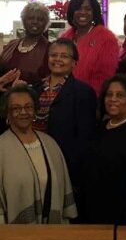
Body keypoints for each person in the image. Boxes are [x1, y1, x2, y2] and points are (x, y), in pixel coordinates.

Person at [32, 38, 97, 209]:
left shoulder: (83, 92)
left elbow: (85, 137)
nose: (58, 60)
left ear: (74, 62)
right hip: (34, 158)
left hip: (65, 163)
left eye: (64, 56)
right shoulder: (35, 89)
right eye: (53, 55)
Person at [0, 84, 77, 224]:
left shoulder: (50, 144)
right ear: (7, 113)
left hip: (53, 232)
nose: (23, 112)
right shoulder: (1, 147)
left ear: (35, 109)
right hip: (15, 237)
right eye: (16, 108)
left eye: (28, 107)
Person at [83, 75, 126, 225]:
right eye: (109, 94)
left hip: (121, 221)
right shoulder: (101, 127)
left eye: (120, 95)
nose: (113, 99)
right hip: (93, 214)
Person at [63, 0, 119, 96]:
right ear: (72, 12)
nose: (83, 12)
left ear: (94, 13)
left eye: (88, 9)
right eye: (78, 9)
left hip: (90, 98)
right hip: (64, 95)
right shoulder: (66, 37)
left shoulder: (106, 38)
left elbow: (106, 77)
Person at [0, 1, 50, 84]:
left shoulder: (50, 48)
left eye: (40, 19)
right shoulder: (11, 44)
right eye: (30, 18)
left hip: (33, 95)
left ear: (46, 23)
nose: (35, 22)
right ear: (23, 20)